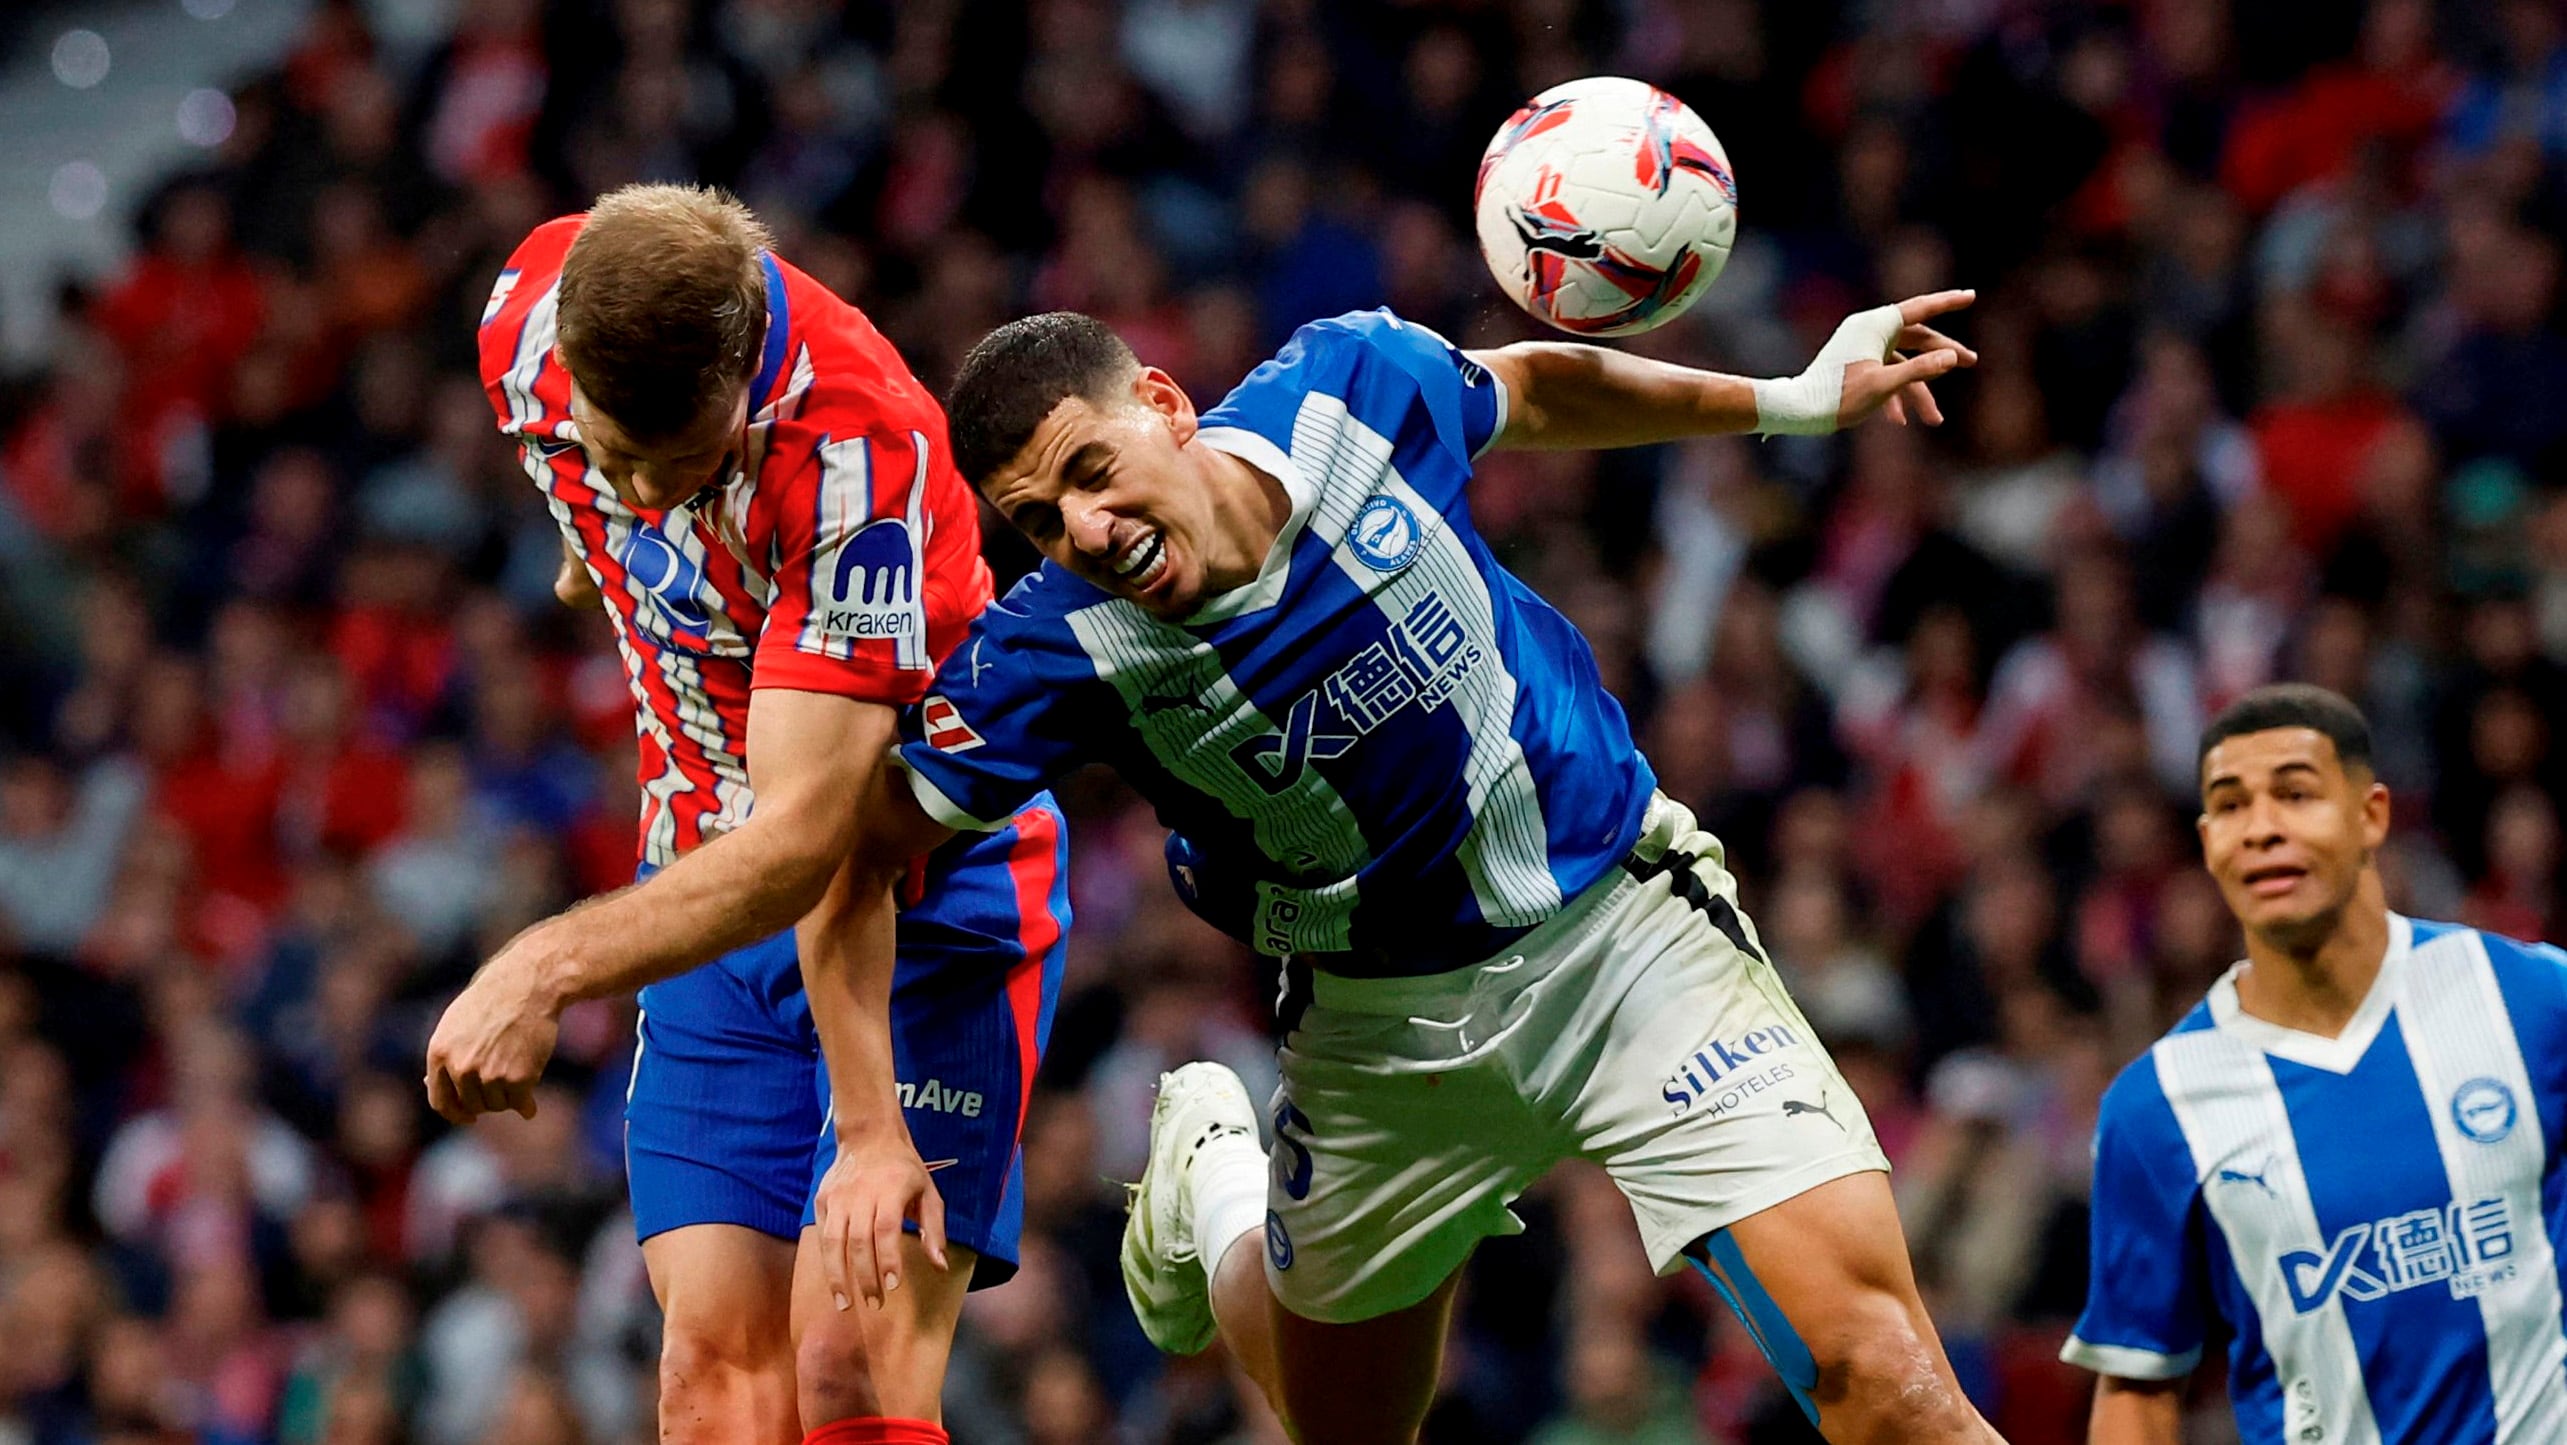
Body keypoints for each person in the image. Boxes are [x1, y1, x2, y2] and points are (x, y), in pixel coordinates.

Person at [817, 294, 2005, 1443]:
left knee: (1880, 1378)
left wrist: (1788, 402)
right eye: (1037, 519)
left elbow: (1530, 389)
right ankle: (1221, 1177)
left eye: (1086, 471)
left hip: (1623, 940)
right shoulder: (1047, 650)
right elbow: (856, 858)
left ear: (1165, 403)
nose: (1081, 528)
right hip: (1377, 1033)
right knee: (1343, 1426)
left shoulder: (1347, 389)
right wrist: (870, 1122)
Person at [426, 184, 1070, 1445]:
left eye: (686, 463)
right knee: (710, 1382)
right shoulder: (521, 318)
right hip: (710, 897)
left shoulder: (857, 461)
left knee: (846, 1378)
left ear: (740, 369)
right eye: (622, 458)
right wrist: (591, 538)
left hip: (925, 899)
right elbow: (587, 499)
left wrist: (546, 964)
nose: (653, 493)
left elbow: (808, 848)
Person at [2067, 683, 2567, 1443]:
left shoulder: (2532, 1001)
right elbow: (2138, 1385)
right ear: (2206, 841)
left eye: (2295, 794)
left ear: (2371, 814)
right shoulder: (2157, 1106)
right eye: (2231, 805)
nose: (2261, 828)